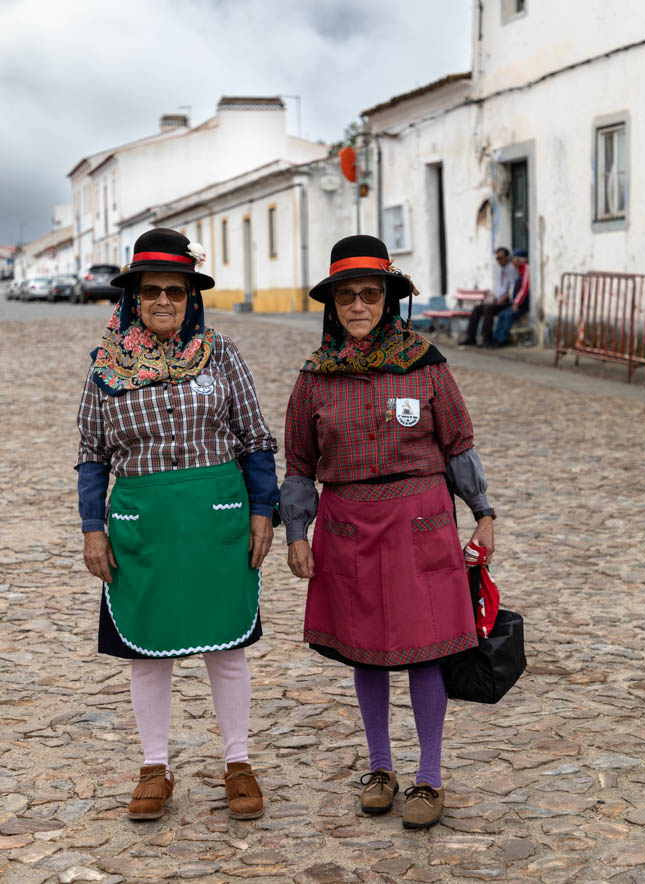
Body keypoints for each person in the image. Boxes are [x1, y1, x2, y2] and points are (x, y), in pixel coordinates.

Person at [280, 235, 496, 831]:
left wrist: (482, 511)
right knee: (366, 651)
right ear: (333, 305)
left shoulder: (426, 366)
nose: (357, 306)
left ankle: (430, 776)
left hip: (419, 521)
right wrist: (297, 531)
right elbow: (298, 462)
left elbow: (458, 445)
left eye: (369, 295)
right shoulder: (315, 378)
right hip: (347, 525)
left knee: (428, 650)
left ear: (388, 300)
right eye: (346, 296)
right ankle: (380, 768)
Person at [76, 228, 279, 821]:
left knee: (228, 647)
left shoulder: (224, 356)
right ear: (132, 299)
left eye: (175, 290)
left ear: (192, 296)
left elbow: (256, 438)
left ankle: (238, 762)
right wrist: (93, 525)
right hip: (144, 523)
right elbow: (91, 452)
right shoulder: (105, 368)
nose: (163, 301)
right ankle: (154, 766)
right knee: (148, 649)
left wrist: (263, 510)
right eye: (151, 291)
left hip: (217, 516)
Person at [459, 246, 516, 346]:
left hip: (508, 302)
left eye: (500, 258)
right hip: (499, 300)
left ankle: (487, 338)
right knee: (477, 309)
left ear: (507, 257)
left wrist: (501, 300)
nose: (499, 261)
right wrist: (494, 299)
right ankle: (470, 337)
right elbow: (498, 289)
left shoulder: (511, 269)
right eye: (497, 258)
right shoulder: (500, 271)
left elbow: (511, 289)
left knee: (488, 309)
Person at [492, 249, 530, 347]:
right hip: (516, 303)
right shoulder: (519, 270)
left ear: (521, 260)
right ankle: (495, 338)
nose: (512, 261)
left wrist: (516, 303)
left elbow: (525, 288)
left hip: (522, 304)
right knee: (501, 314)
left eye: (515, 259)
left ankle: (502, 339)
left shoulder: (526, 269)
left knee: (508, 315)